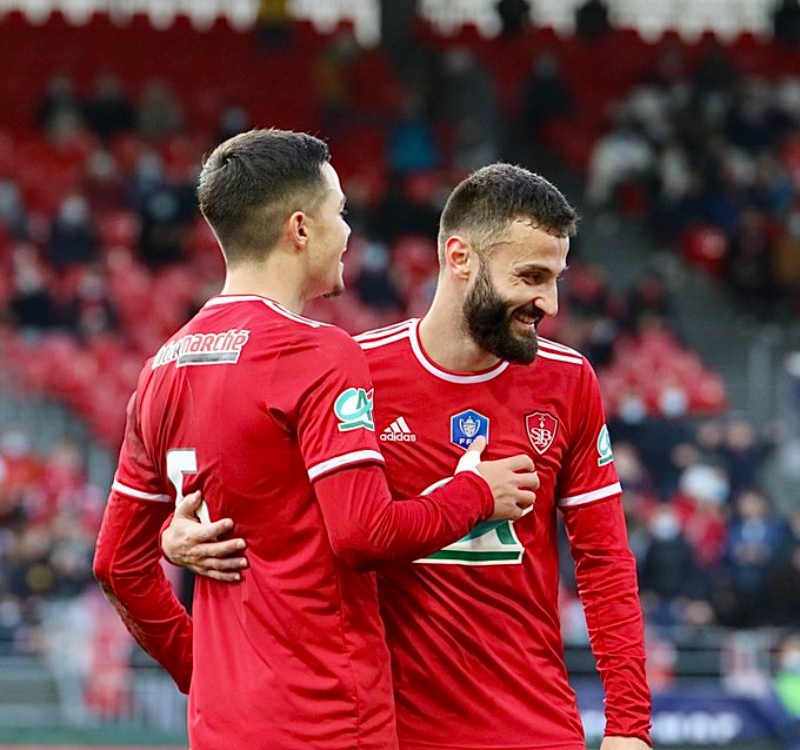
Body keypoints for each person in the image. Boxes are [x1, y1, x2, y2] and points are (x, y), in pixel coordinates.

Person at [165, 162, 653, 749]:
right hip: (387, 727)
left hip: (532, 725)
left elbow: (605, 562)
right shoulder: (352, 371)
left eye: (555, 279)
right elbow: (274, 507)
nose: (547, 302)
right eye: (530, 277)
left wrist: (629, 726)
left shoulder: (569, 381)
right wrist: (180, 531)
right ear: (460, 257)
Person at [92, 129, 539, 750]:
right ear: (301, 229)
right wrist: (473, 493)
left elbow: (117, 563)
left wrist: (205, 671)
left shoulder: (163, 366)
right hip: (326, 719)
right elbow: (362, 533)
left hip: (223, 727)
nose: (349, 231)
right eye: (341, 212)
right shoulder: (316, 353)